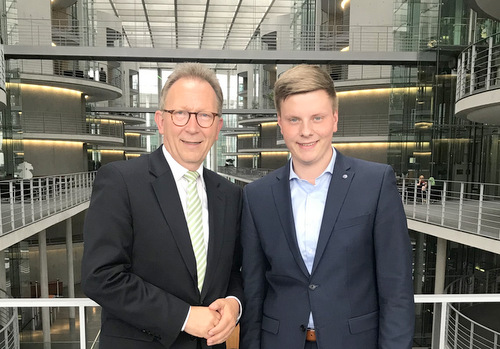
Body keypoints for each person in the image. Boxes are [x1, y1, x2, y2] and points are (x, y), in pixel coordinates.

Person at [239, 65, 415, 349]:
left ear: (334, 119)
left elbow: (397, 289)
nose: (306, 131)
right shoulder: (257, 195)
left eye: (317, 118)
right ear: (280, 125)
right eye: (294, 119)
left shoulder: (375, 183)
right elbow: (254, 289)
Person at [82, 63, 243, 349]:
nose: (192, 127)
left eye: (204, 115)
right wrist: (184, 316)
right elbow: (101, 277)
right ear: (160, 121)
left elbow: (233, 272)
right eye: (180, 113)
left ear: (218, 126)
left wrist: (234, 303)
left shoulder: (230, 195)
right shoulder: (121, 182)